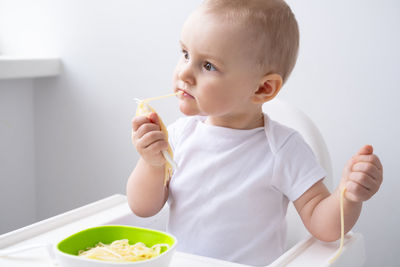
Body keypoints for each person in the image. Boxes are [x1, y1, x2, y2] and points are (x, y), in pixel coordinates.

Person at [127, 0, 383, 265]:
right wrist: (152, 163)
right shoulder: (177, 137)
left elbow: (324, 226)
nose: (184, 73)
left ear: (263, 89)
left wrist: (347, 195)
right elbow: (142, 208)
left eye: (208, 66)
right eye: (185, 54)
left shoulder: (282, 149)